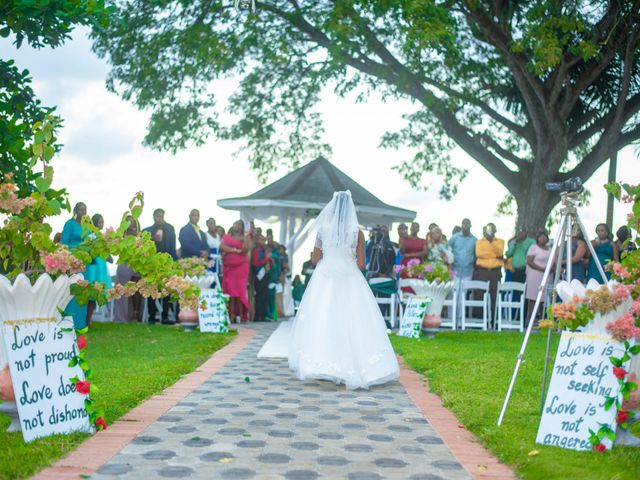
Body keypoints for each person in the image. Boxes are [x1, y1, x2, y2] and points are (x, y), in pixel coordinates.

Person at [287, 191, 400, 389]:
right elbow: (362, 264)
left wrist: (330, 256)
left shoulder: (323, 230)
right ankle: (355, 365)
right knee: (352, 319)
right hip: (350, 277)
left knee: (323, 317)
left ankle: (322, 364)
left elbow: (314, 259)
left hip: (325, 277)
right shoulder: (357, 232)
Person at [143, 208, 177, 323]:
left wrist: (173, 264)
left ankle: (165, 317)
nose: (159, 218)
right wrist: (152, 240)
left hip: (166, 265)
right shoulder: (147, 231)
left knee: (166, 291)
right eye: (157, 216)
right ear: (153, 217)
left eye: (161, 216)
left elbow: (173, 248)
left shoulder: (170, 230)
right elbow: (142, 248)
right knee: (151, 291)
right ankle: (152, 317)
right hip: (151, 265)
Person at [61, 202, 88, 329]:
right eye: (81, 209)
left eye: (85, 209)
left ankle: (80, 323)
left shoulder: (88, 227)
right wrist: (79, 247)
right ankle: (68, 322)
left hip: (84, 263)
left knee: (83, 291)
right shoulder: (69, 224)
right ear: (75, 210)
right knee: (72, 291)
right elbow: (63, 244)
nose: (83, 212)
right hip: (72, 262)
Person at [84, 214, 113, 324]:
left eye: (103, 221)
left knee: (97, 292)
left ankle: (89, 319)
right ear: (95, 223)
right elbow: (89, 247)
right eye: (100, 222)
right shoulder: (91, 235)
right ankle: (86, 318)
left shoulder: (101, 235)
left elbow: (106, 250)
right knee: (90, 292)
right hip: (93, 266)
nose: (102, 224)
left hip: (101, 265)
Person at [473, 223, 504, 325]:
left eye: (492, 229)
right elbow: (479, 254)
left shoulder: (500, 241)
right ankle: (479, 320)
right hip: (482, 271)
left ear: (495, 230)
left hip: (495, 272)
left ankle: (494, 321)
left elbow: (499, 253)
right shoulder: (479, 242)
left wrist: (491, 243)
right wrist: (493, 255)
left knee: (494, 295)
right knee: (479, 294)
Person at [221, 220, 251, 322]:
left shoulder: (244, 238)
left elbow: (245, 250)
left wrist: (246, 238)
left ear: (242, 227)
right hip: (228, 267)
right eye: (235, 224)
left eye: (239, 225)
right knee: (230, 291)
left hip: (241, 268)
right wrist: (234, 250)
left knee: (239, 291)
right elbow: (222, 246)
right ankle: (231, 314)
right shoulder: (227, 236)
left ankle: (242, 315)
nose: (236, 226)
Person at [114, 217, 142, 322]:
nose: (133, 225)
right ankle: (122, 316)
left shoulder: (141, 237)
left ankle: (135, 314)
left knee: (137, 286)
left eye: (134, 223)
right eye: (130, 223)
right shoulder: (121, 236)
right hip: (124, 264)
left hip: (138, 264)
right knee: (124, 288)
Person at [449, 218, 477, 321]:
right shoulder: (454, 238)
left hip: (468, 271)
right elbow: (447, 250)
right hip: (455, 270)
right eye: (463, 224)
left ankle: (460, 319)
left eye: (467, 225)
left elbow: (476, 255)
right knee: (453, 294)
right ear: (461, 226)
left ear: (470, 226)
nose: (465, 226)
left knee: (463, 296)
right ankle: (451, 318)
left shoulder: (474, 240)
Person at [525, 230, 552, 324]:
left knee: (544, 298)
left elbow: (553, 261)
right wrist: (541, 269)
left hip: (547, 275)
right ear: (537, 238)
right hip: (534, 274)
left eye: (544, 236)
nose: (542, 238)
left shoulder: (549, 249)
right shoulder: (533, 248)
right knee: (533, 297)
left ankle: (542, 320)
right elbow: (529, 261)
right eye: (540, 236)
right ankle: (530, 320)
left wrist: (549, 269)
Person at [251, 233, 271, 322]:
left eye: (264, 240)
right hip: (259, 275)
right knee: (260, 295)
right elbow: (256, 263)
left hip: (265, 274)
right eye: (262, 240)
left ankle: (263, 314)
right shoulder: (257, 250)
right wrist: (266, 259)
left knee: (265, 295)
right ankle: (258, 315)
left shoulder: (264, 250)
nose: (264, 242)